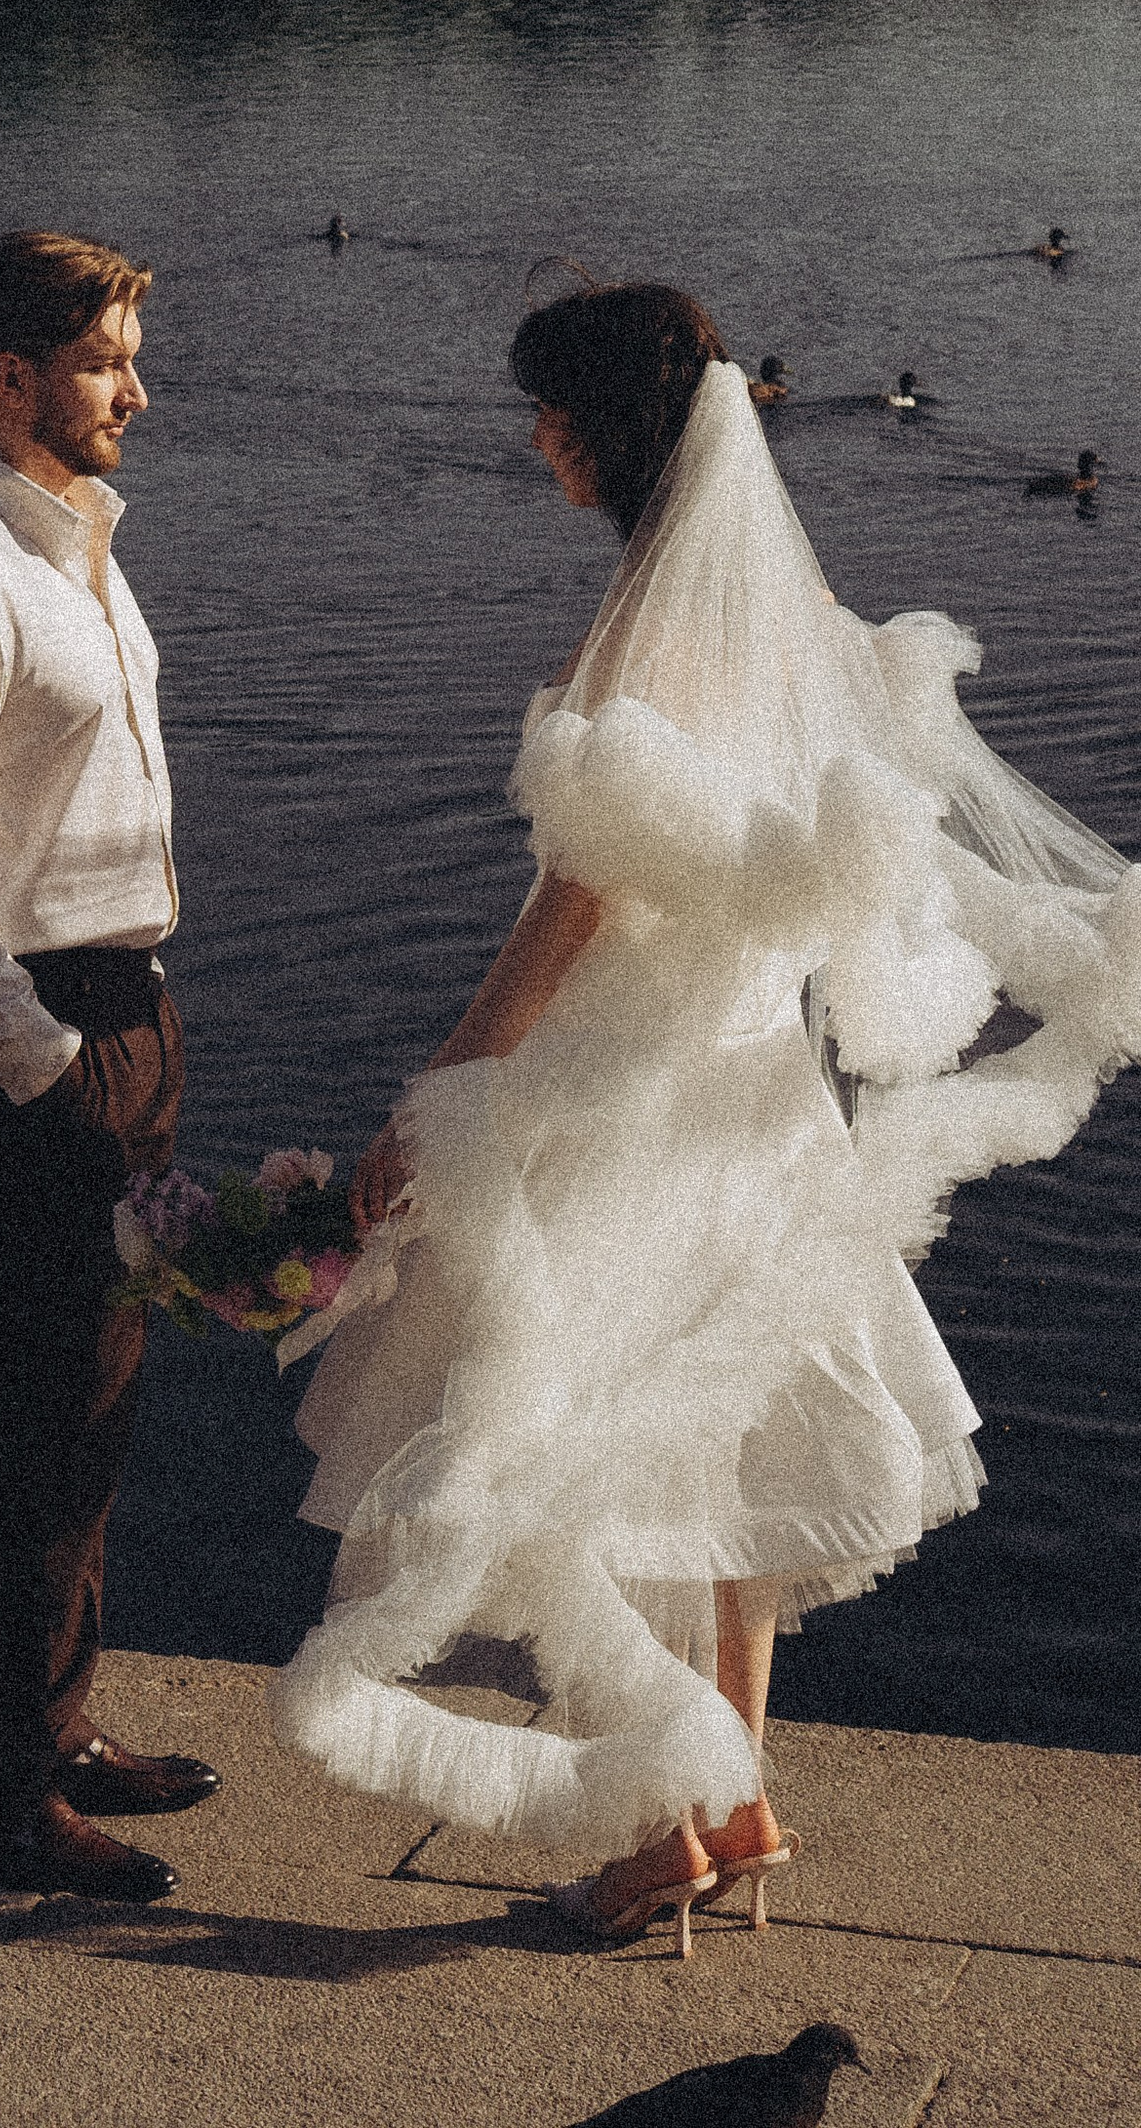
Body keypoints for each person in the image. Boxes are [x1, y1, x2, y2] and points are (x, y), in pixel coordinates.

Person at [276, 279, 1141, 1954]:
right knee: (729, 1454)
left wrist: (448, 1088)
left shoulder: (653, 631)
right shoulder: (793, 605)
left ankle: (659, 1832)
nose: (538, 439)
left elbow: (579, 901)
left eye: (553, 411)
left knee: (587, 1462)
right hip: (757, 1085)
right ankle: (733, 1802)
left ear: (612, 429)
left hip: (627, 1084)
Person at [0, 229, 218, 1904]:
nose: (137, 393)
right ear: (11, 380)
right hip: (15, 1038)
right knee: (3, 1426)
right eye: (103, 364)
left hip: (117, 1010)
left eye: (132, 359)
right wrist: (50, 1072)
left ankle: (53, 1731)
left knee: (90, 1408)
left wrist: (126, 1045)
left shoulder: (80, 555)